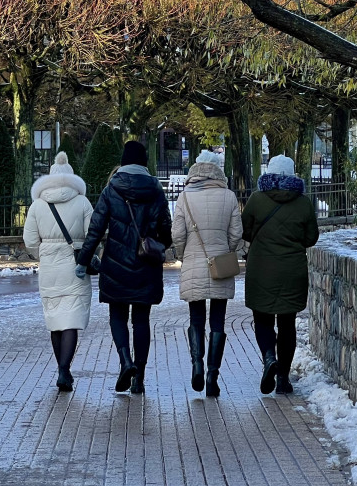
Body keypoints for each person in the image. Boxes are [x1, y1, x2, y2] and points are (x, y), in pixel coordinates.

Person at [77, 140, 171, 395]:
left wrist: (83, 260)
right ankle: (138, 377)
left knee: (117, 316)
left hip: (116, 265)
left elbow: (95, 230)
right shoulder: (157, 190)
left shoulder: (111, 190)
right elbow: (167, 232)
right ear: (144, 162)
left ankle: (125, 361)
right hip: (146, 266)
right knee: (141, 320)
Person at [241, 155, 320, 395]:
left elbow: (245, 231)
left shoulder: (256, 200)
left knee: (262, 320)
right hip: (292, 270)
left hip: (261, 269)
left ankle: (268, 358)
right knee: (287, 325)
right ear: (292, 175)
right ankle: (283, 379)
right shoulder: (304, 202)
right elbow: (311, 238)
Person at [171, 150, 243, 397]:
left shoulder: (184, 197)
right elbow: (236, 234)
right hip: (220, 263)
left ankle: (197, 365)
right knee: (218, 321)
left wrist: (183, 255)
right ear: (217, 171)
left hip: (193, 261)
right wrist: (225, 250)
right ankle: (213, 373)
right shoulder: (229, 196)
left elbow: (178, 234)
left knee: (196, 317)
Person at [23, 151, 94, 392]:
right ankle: (65, 369)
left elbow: (30, 240)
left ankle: (61, 369)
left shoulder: (38, 205)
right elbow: (92, 234)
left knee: (55, 320)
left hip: (50, 268)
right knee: (70, 320)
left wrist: (42, 254)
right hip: (75, 266)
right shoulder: (82, 202)